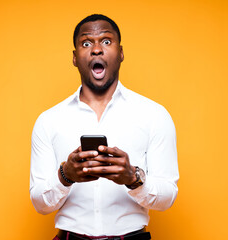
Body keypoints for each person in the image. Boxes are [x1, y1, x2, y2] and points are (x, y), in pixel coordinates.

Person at [30, 14, 179, 240]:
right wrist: (65, 176)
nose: (96, 49)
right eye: (86, 43)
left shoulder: (155, 115)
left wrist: (134, 177)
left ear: (120, 53)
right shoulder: (48, 121)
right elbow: (40, 204)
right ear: (74, 57)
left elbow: (167, 198)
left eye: (106, 41)